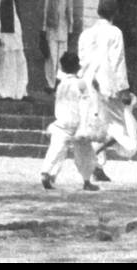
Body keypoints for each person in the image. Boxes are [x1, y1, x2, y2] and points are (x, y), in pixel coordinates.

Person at [78, 0, 137, 182]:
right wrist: (123, 89)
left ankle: (96, 166)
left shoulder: (86, 34)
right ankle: (96, 156)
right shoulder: (114, 32)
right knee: (123, 135)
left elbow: (83, 61)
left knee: (97, 123)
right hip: (107, 87)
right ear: (115, 13)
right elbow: (117, 62)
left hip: (87, 86)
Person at [40, 51, 99, 191]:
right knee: (85, 153)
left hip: (61, 122)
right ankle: (86, 181)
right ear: (78, 67)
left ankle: (46, 172)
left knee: (56, 149)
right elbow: (85, 105)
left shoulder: (61, 84)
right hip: (76, 123)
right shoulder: (81, 84)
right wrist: (85, 125)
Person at [0, 0, 49, 100]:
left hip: (16, 33)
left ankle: (20, 93)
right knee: (4, 63)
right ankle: (4, 93)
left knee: (19, 62)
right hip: (4, 33)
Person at [36, 0, 75, 92]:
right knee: (51, 57)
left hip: (63, 30)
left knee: (61, 57)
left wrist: (70, 30)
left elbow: (70, 13)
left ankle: (60, 84)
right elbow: (45, 11)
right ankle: (50, 84)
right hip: (51, 29)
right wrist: (43, 30)